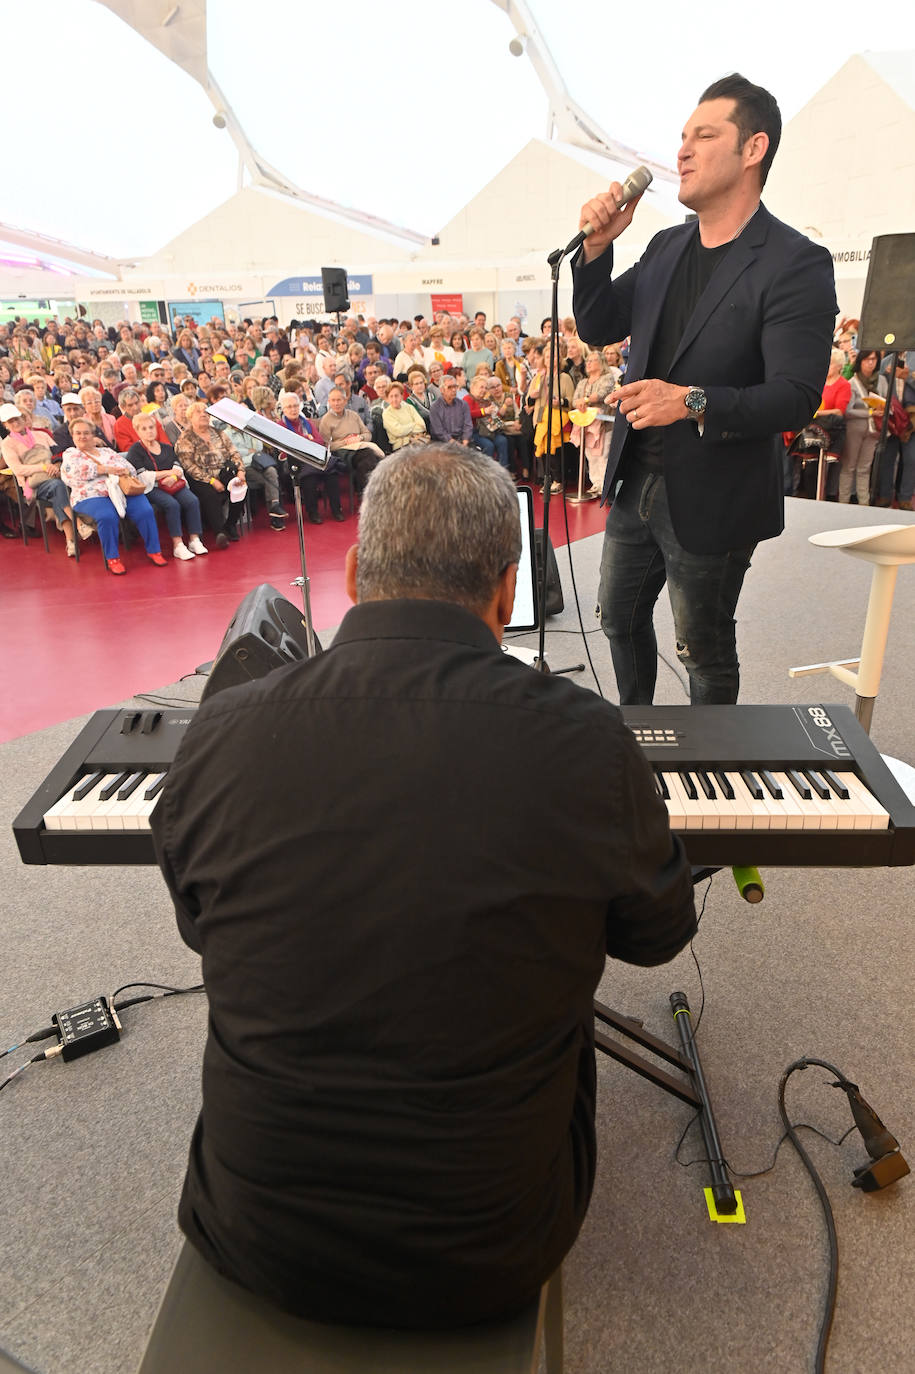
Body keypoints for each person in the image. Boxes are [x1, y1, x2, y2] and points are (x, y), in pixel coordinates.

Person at [152, 442, 696, 1330]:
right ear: (508, 589)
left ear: (355, 572)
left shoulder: (222, 732)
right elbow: (653, 937)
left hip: (253, 1231)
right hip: (492, 1252)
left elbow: (199, 923)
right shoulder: (587, 743)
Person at [572, 72, 837, 704]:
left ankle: (708, 768)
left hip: (716, 495)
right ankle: (636, 733)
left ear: (753, 149)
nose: (682, 151)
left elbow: (796, 396)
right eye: (682, 137)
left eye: (704, 135)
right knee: (617, 616)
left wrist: (688, 399)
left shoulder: (795, 262)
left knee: (702, 648)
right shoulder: (666, 247)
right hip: (637, 479)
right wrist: (597, 250)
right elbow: (602, 322)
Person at [61, 418, 165, 575]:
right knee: (107, 516)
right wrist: (106, 469)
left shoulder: (107, 451)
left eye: (86, 433)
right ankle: (112, 558)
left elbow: (129, 468)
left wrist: (123, 471)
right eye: (78, 433)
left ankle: (154, 551)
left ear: (93, 435)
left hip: (120, 490)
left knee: (145, 510)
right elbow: (73, 474)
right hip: (90, 495)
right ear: (72, 436)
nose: (82, 436)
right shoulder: (71, 454)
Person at [127, 412, 207, 559]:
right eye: (144, 429)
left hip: (172, 482)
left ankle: (194, 539)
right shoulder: (135, 450)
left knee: (192, 500)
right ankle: (178, 544)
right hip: (152, 487)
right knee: (172, 504)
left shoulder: (166, 447)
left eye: (151, 427)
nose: (149, 431)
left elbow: (178, 467)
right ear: (137, 431)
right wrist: (168, 473)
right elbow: (142, 476)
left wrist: (173, 476)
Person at [0, 402, 75, 554]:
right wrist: (44, 467)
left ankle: (72, 539)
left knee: (58, 488)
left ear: (22, 418)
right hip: (32, 484)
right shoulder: (7, 444)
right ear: (5, 425)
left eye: (17, 418)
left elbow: (57, 453)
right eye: (10, 421)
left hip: (56, 476)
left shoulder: (42, 435)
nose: (15, 422)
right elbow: (18, 469)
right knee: (58, 486)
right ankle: (76, 526)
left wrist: (56, 465)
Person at [175, 401, 246, 548]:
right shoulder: (185, 439)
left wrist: (240, 471)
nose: (203, 414)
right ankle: (219, 532)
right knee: (210, 495)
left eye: (206, 412)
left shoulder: (218, 433)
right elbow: (189, 466)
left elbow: (234, 452)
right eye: (198, 412)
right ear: (190, 417)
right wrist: (212, 481)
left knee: (240, 486)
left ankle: (230, 524)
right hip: (200, 477)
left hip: (223, 471)